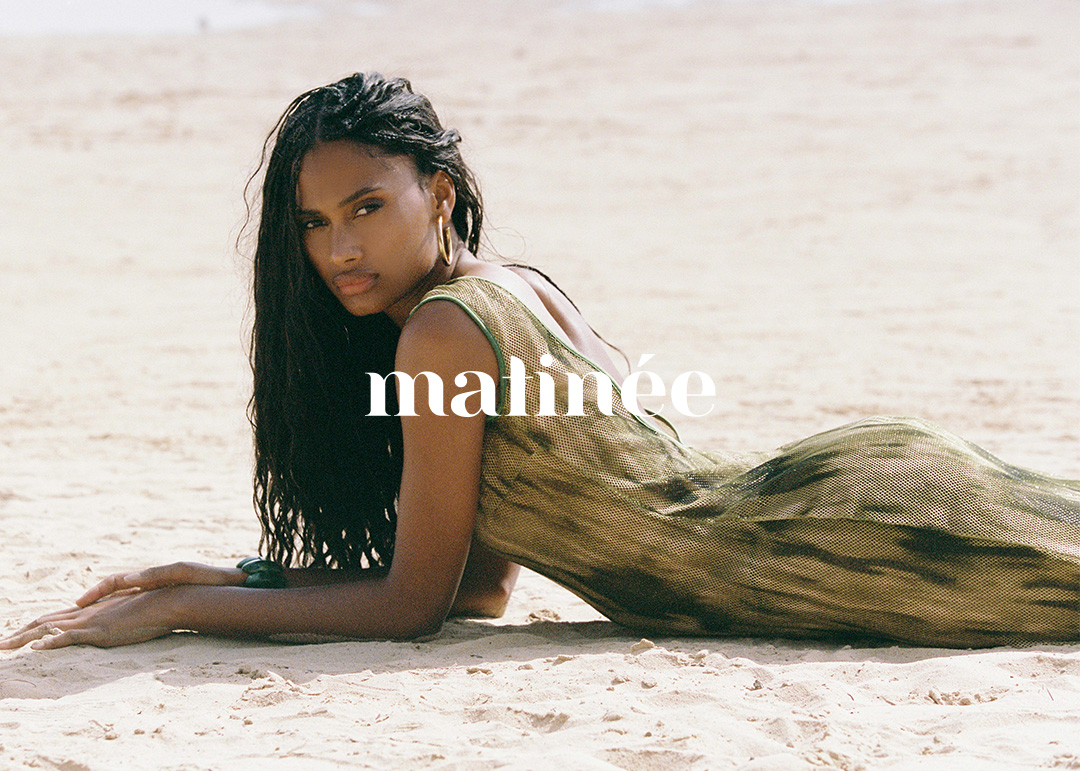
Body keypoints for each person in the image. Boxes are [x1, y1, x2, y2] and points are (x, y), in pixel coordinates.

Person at [2, 73, 1077, 652]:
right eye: (316, 221)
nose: (339, 248)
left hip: (822, 546)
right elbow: (478, 588)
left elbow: (411, 609)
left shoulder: (443, 332)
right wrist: (240, 574)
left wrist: (174, 612)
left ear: (442, 190)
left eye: (368, 207)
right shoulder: (511, 289)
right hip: (811, 515)